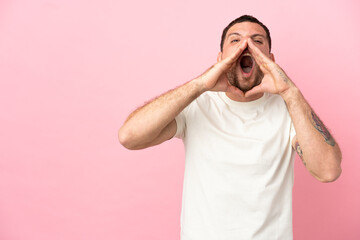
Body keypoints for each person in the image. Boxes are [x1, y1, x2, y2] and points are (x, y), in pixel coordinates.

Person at [118, 15, 342, 240]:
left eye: (257, 41)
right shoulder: (198, 105)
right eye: (235, 41)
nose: (246, 46)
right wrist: (200, 84)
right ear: (220, 57)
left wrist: (290, 92)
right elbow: (129, 137)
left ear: (270, 58)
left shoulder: (290, 110)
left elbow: (328, 171)